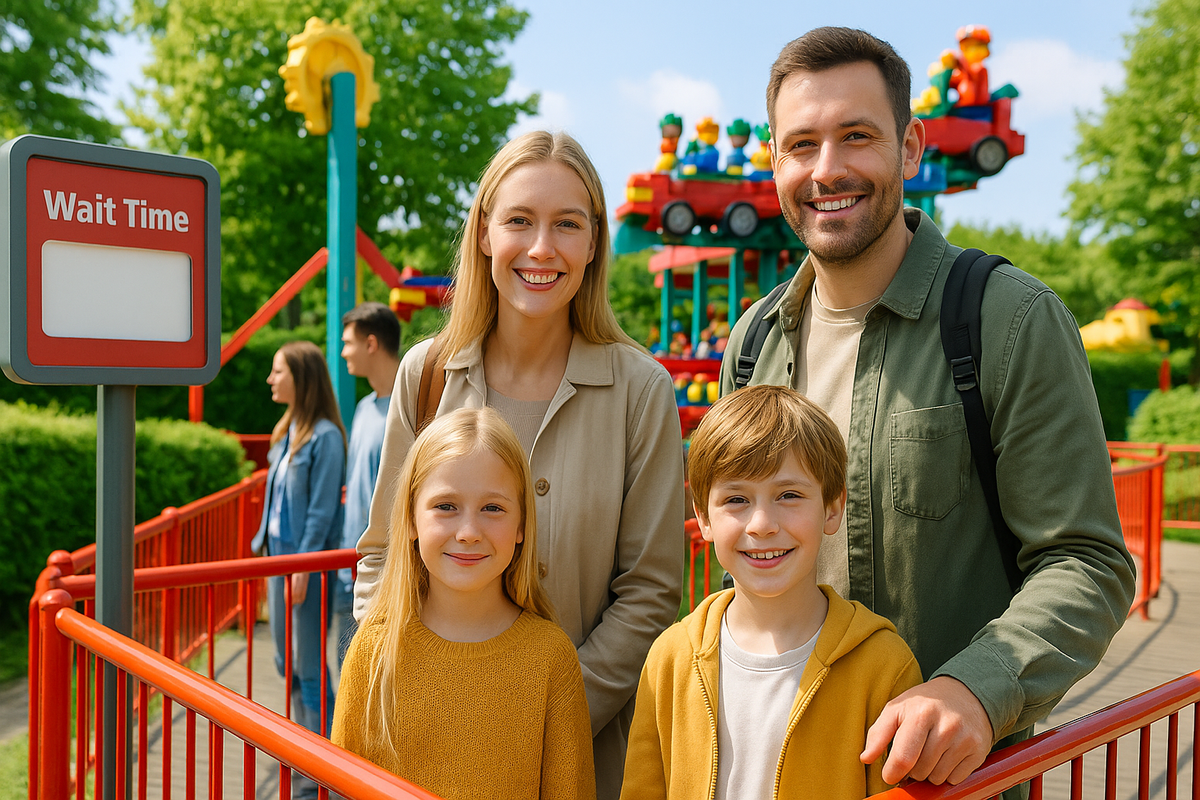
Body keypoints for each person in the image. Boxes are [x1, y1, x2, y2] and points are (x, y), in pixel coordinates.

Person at [718, 26, 1136, 795]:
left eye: (857, 136)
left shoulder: (1009, 319)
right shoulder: (751, 345)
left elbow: (1089, 563)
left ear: (909, 148)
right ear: (773, 161)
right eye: (801, 144)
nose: (828, 169)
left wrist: (977, 685)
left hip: (940, 783)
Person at [352, 130, 685, 799]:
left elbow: (649, 595)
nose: (542, 248)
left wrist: (539, 718)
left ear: (594, 244)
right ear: (483, 234)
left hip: (584, 766)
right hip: (425, 759)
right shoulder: (427, 375)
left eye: (567, 224)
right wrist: (405, 688)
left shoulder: (641, 391)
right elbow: (382, 561)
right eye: (519, 221)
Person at [621, 386, 922, 800]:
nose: (761, 523)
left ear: (833, 507)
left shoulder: (884, 666)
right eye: (737, 499)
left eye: (789, 495)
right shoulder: (669, 659)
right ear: (704, 517)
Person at [332, 407, 595, 799]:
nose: (469, 532)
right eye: (445, 506)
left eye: (493, 508)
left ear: (522, 524)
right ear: (410, 518)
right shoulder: (373, 651)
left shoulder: (551, 659)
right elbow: (338, 785)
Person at [251, 341, 346, 750]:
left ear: (301, 378)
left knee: (308, 666)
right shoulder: (288, 429)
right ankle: (301, 750)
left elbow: (321, 512)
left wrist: (304, 567)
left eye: (278, 371)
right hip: (278, 562)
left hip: (304, 567)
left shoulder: (325, 438)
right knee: (284, 662)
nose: (271, 379)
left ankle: (321, 766)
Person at [333, 302, 402, 664]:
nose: (343, 351)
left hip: (386, 573)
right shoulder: (362, 408)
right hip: (350, 565)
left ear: (371, 344)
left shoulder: (410, 409)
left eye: (348, 342)